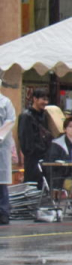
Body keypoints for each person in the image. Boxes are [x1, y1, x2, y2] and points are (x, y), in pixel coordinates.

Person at [18, 88, 53, 187]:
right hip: (32, 160)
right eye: (43, 99)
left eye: (47, 99)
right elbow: (25, 142)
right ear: (35, 99)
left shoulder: (45, 115)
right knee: (32, 190)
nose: (45, 102)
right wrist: (35, 152)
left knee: (45, 189)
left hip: (45, 159)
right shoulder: (26, 116)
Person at [0, 86, 16, 225]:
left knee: (1, 183)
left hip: (1, 147)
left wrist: (0, 136)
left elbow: (10, 120)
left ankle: (4, 213)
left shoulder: (5, 103)